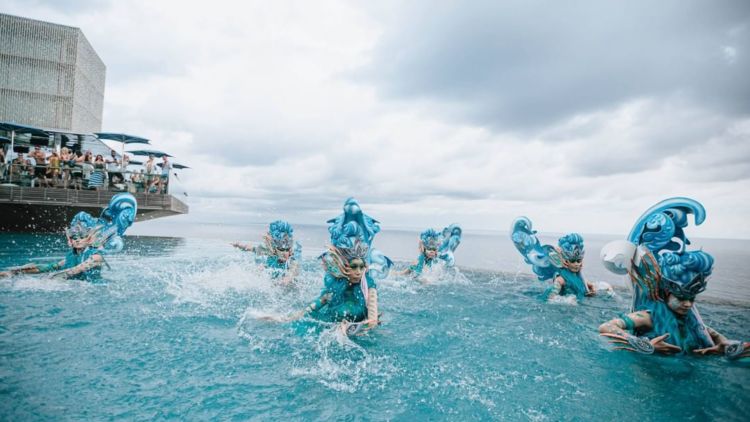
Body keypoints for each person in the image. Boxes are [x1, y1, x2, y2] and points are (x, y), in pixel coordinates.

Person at [599, 197, 749, 358]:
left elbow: (714, 334)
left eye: (692, 299)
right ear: (666, 292)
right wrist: (647, 346)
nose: (687, 304)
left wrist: (724, 345)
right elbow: (606, 326)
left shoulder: (689, 319)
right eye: (681, 298)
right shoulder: (647, 316)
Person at [267, 198, 391, 335]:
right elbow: (310, 309)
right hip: (333, 328)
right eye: (354, 267)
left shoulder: (369, 287)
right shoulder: (335, 287)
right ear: (343, 265)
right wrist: (282, 319)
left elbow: (372, 320)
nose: (358, 272)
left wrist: (354, 328)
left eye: (362, 267)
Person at [0, 193, 137, 281]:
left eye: (81, 236)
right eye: (73, 236)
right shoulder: (70, 257)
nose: (76, 239)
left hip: (95, 295)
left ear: (90, 238)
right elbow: (46, 267)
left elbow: (74, 271)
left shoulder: (96, 257)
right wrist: (15, 272)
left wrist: (49, 280)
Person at [510, 217, 602, 303]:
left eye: (579, 260)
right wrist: (568, 300)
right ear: (566, 261)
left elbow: (584, 285)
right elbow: (551, 298)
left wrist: (591, 288)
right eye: (573, 261)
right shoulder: (560, 279)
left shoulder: (578, 276)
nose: (577, 264)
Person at [231, 220, 302, 285]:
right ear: (274, 248)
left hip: (290, 285)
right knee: (260, 268)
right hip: (273, 277)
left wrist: (285, 280)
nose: (286, 253)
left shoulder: (293, 258)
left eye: (287, 249)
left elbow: (291, 272)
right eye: (282, 249)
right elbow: (252, 248)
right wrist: (238, 245)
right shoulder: (270, 251)